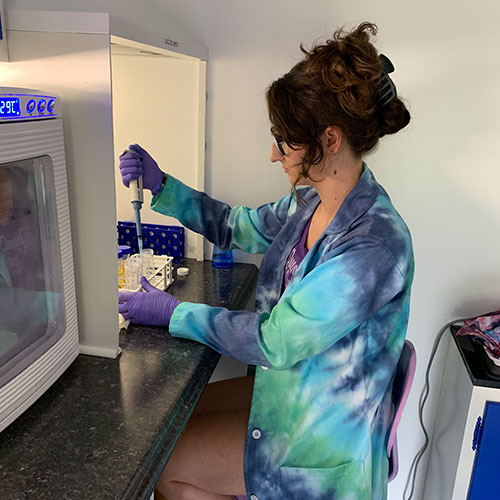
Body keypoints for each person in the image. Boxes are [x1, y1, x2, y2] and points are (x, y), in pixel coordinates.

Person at [118, 22, 414, 500]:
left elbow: (276, 342)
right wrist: (162, 186)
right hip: (297, 390)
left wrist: (176, 314)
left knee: (166, 466)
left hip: (321, 440)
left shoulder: (373, 246)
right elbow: (239, 226)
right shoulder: (313, 203)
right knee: (167, 424)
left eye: (284, 139)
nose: (273, 153)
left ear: (331, 140)